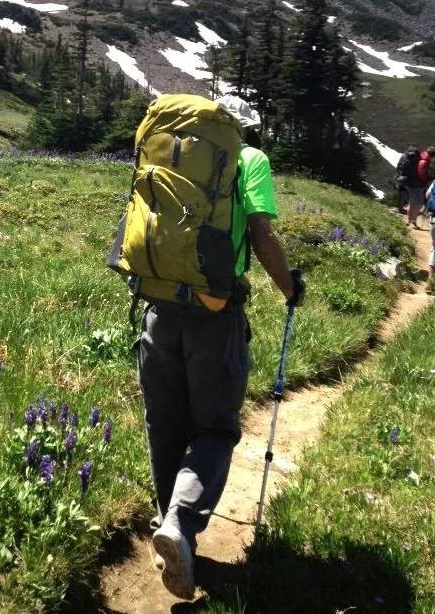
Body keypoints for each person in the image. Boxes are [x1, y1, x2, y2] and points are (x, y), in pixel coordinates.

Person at [139, 94, 304, 600]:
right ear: (246, 128)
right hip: (215, 312)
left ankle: (167, 523)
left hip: (157, 304)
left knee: (165, 422)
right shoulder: (249, 159)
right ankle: (181, 525)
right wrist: (289, 288)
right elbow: (260, 233)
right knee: (215, 427)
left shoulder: (168, 150)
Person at [407, 145, 435, 229]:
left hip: (412, 182)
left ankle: (409, 221)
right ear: (433, 156)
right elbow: (421, 173)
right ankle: (413, 222)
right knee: (418, 203)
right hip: (418, 184)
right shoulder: (424, 161)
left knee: (412, 203)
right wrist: (427, 179)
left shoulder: (421, 158)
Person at [395, 147, 419, 214]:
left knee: (402, 193)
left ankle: (400, 207)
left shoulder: (403, 156)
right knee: (404, 193)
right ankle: (401, 208)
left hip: (401, 177)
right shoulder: (414, 159)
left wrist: (399, 175)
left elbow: (398, 166)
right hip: (407, 178)